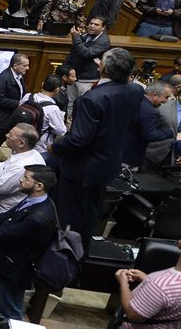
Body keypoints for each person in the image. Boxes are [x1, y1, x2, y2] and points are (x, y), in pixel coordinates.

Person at [51, 48, 145, 251]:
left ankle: (64, 258)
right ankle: (82, 252)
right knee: (91, 212)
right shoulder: (136, 90)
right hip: (108, 163)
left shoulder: (91, 99)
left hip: (82, 168)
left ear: (102, 67)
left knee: (69, 216)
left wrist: (56, 146)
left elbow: (79, 140)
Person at [0, 166, 59, 321]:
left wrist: (2, 226)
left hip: (17, 268)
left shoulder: (38, 218)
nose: (21, 180)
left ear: (39, 186)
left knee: (10, 311)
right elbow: (7, 215)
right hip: (12, 262)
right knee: (7, 306)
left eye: (26, 178)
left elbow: (5, 233)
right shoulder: (35, 199)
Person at [0, 124, 44, 215]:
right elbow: (9, 163)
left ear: (21, 143)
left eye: (10, 135)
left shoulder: (21, 166)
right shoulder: (31, 153)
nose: (6, 135)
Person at [65, 16, 111, 103]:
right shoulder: (84, 35)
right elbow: (73, 53)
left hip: (88, 79)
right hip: (74, 76)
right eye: (91, 23)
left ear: (103, 27)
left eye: (96, 24)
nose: (92, 26)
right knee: (70, 103)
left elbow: (86, 53)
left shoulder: (103, 41)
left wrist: (76, 38)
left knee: (83, 103)